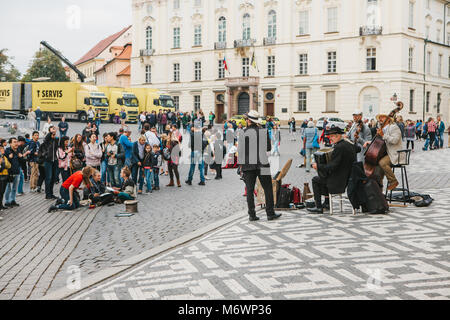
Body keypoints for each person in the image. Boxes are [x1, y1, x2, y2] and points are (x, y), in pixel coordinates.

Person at [238, 110, 281, 222]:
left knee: (250, 190)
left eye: (246, 119)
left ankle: (252, 215)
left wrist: (240, 166)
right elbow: (268, 148)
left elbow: (240, 151)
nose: (245, 120)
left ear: (249, 120)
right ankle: (270, 213)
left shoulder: (243, 132)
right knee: (268, 188)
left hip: (248, 165)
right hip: (262, 163)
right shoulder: (263, 131)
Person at [307, 127, 357, 214]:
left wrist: (318, 166)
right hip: (348, 179)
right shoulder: (349, 145)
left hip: (339, 182)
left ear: (338, 136)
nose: (329, 138)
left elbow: (332, 166)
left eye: (332, 136)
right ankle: (326, 203)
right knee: (324, 176)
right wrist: (348, 140)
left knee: (316, 179)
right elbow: (358, 149)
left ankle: (318, 207)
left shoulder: (339, 148)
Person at [376, 113, 402, 191]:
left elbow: (395, 140)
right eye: (379, 118)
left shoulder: (394, 127)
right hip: (388, 153)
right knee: (377, 167)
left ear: (388, 119)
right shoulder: (383, 129)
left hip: (395, 154)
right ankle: (379, 188)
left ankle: (393, 181)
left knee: (382, 163)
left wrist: (383, 135)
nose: (380, 119)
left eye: (382, 117)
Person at [40, 125, 59, 200]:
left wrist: (55, 135)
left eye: (54, 130)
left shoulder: (55, 139)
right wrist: (51, 132)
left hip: (55, 160)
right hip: (48, 160)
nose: (53, 131)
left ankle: (51, 193)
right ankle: (47, 194)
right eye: (52, 130)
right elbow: (46, 139)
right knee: (48, 177)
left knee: (53, 177)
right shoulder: (47, 140)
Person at [4, 137, 23, 207]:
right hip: (9, 172)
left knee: (15, 188)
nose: (16, 143)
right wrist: (9, 157)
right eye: (14, 142)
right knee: (8, 188)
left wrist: (21, 157)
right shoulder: (7, 151)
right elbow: (5, 162)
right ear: (10, 143)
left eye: (16, 142)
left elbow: (22, 162)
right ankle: (7, 201)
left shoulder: (18, 150)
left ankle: (13, 200)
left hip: (17, 171)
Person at [0, 144, 11, 210]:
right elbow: (4, 165)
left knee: (2, 192)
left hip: (5, 175)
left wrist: (3, 163)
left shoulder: (4, 157)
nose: (3, 150)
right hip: (1, 175)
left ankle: (1, 204)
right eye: (1, 148)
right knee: (0, 192)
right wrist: (3, 164)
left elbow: (9, 165)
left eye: (3, 148)